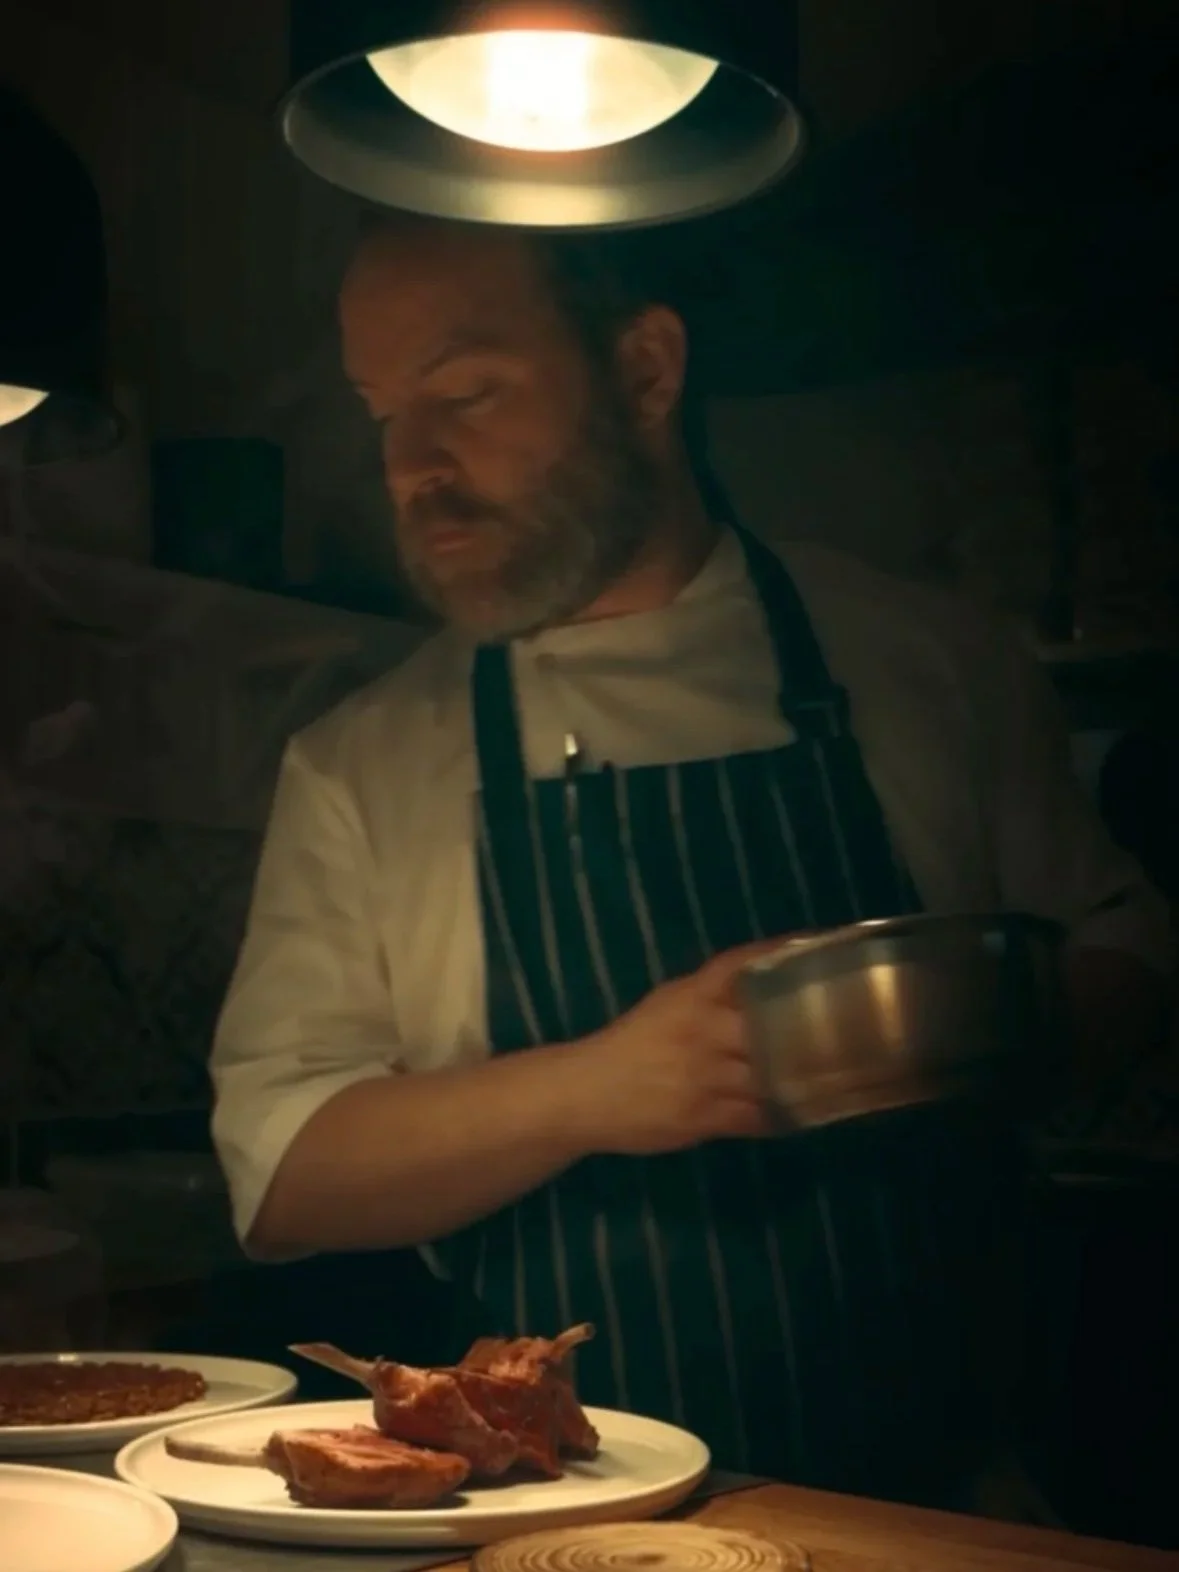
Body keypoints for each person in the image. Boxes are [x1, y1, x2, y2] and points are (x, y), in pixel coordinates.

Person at [211, 214, 1173, 1507]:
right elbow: (280, 1174)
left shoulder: (926, 661)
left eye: (466, 394)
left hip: (956, 1499)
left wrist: (975, 1028)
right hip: (563, 1515)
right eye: (383, 413)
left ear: (645, 371)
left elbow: (1128, 948)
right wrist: (599, 1089)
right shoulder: (364, 760)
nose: (411, 468)